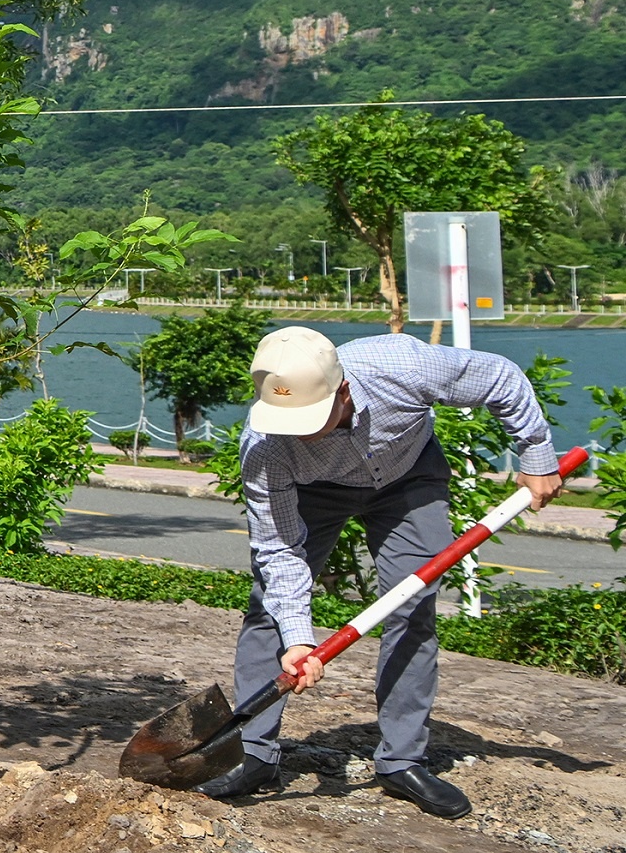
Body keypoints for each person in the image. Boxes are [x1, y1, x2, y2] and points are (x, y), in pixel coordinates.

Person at [204, 325, 566, 818]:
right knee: (270, 609)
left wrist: (537, 455)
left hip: (407, 476)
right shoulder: (266, 445)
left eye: (310, 419)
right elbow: (279, 549)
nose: (298, 433)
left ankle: (401, 762)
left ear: (345, 391)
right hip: (315, 492)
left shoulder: (402, 365)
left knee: (412, 608)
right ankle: (254, 754)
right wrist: (299, 638)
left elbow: (501, 378)